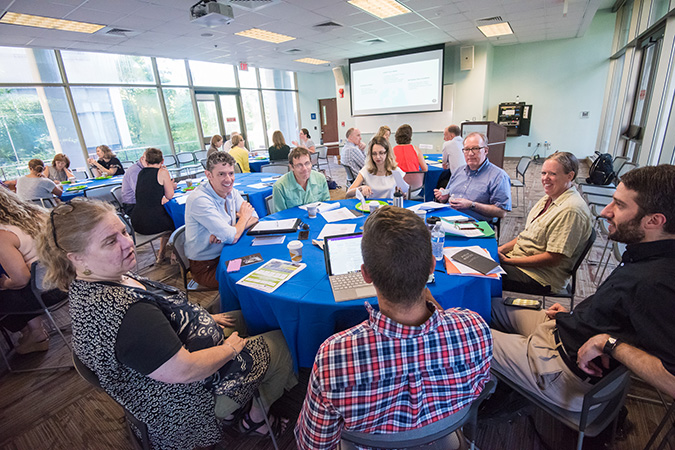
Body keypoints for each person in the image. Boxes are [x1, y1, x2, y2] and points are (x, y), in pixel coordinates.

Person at [39, 198, 297, 450]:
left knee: (255, 316)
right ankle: (256, 420)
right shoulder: (125, 313)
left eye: (122, 231)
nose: (127, 241)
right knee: (284, 341)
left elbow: (162, 315)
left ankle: (239, 406)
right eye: (110, 241)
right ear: (76, 258)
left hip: (182, 357)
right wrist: (230, 349)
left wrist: (202, 317)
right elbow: (185, 371)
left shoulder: (101, 279)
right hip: (189, 400)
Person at [295, 206, 492, 449]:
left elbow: (311, 444)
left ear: (365, 274)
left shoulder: (332, 357)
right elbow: (479, 388)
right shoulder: (475, 330)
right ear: (432, 266)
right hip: (444, 438)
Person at [491, 164, 675, 411]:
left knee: (463, 334)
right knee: (487, 305)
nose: (606, 212)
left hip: (559, 366)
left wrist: (609, 345)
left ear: (654, 221)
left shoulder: (657, 282)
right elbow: (623, 310)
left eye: (619, 205)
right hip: (563, 326)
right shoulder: (646, 255)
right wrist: (578, 315)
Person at [498, 152, 592, 295]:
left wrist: (509, 262)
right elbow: (527, 234)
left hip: (540, 277)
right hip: (520, 258)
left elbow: (553, 259)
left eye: (552, 174)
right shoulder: (550, 197)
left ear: (570, 176)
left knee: (476, 274)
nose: (545, 179)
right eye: (543, 173)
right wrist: (501, 249)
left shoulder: (571, 210)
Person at [0, 190, 67, 355]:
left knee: (7, 288)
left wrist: (4, 283)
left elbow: (21, 279)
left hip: (44, 294)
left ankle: (33, 332)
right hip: (67, 280)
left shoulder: (3, 235)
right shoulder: (37, 214)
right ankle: (35, 330)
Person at [185, 152, 258, 289]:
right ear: (208, 175)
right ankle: (232, 309)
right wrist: (241, 220)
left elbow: (254, 217)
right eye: (221, 174)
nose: (228, 179)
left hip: (228, 251)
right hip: (208, 266)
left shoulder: (231, 191)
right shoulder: (199, 199)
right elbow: (232, 236)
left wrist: (230, 229)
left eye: (231, 173)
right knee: (249, 280)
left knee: (260, 265)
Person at [434, 132, 511, 222]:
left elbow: (501, 212)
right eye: (466, 149)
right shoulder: (459, 171)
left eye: (475, 149)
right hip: (448, 218)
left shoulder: (498, 176)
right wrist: (444, 197)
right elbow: (447, 196)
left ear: (485, 150)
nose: (470, 154)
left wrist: (472, 205)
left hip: (474, 224)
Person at [130, 148, 175, 264]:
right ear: (162, 160)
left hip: (136, 222)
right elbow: (170, 195)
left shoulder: (141, 173)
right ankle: (175, 255)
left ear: (146, 160)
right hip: (152, 223)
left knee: (164, 217)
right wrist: (170, 184)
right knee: (176, 221)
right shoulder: (162, 172)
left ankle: (161, 253)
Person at [272, 147, 330, 213]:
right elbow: (280, 215)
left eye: (307, 163)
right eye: (299, 165)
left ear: (311, 163)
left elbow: (326, 206)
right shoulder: (280, 186)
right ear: (291, 167)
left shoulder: (320, 178)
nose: (304, 168)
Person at [120, 151, 147, 215]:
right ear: (142, 159)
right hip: (132, 205)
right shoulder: (135, 171)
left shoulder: (147, 169)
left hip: (141, 202)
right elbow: (140, 193)